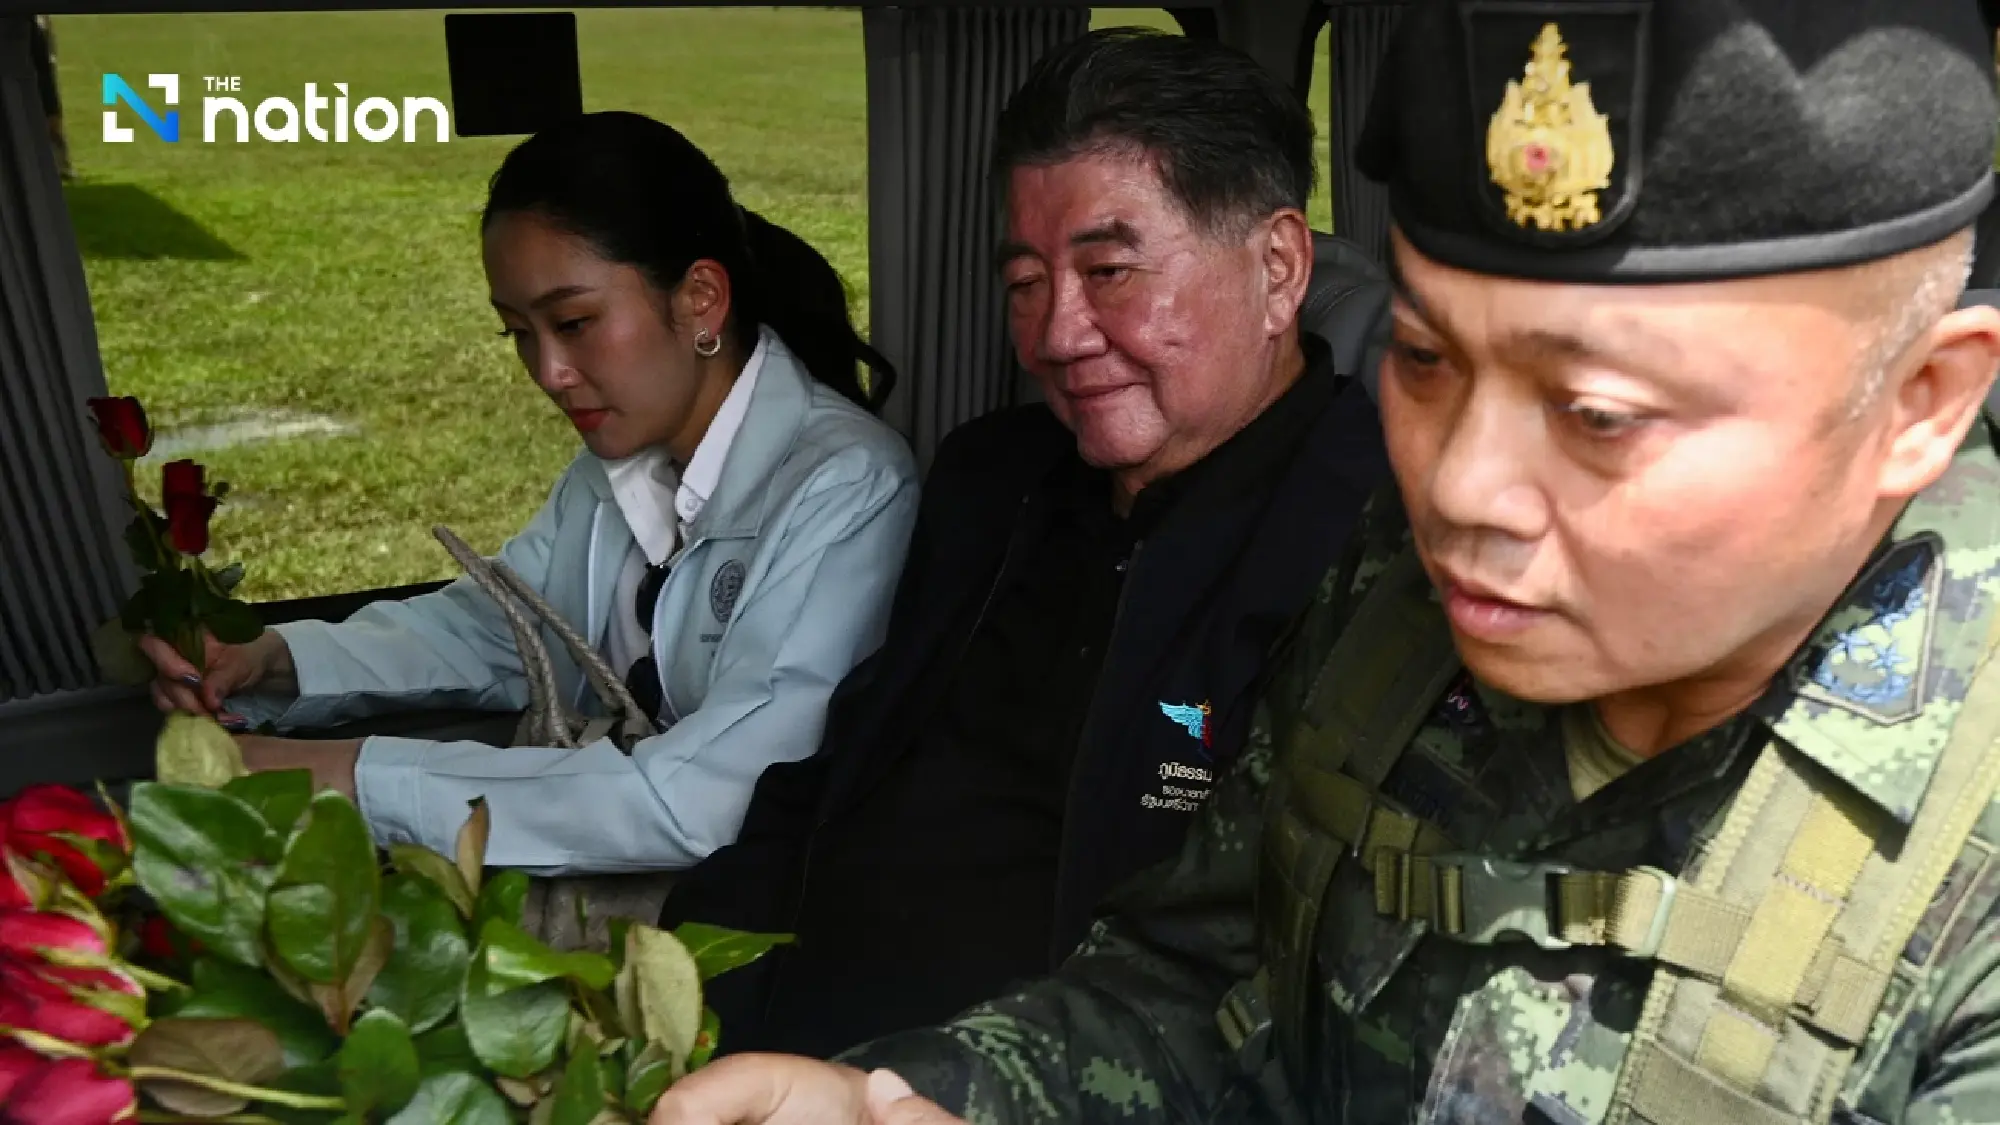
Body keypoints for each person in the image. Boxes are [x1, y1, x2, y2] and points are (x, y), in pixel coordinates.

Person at [650, 1, 2000, 1122]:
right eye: (1423, 359)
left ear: (1922, 403)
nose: (1460, 486)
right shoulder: (1398, 604)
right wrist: (923, 1099)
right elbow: (1202, 980)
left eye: (1596, 414)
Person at [657, 28, 1391, 1058]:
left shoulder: (1379, 540)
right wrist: (669, 996)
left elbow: (1278, 981)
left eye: (1109, 271)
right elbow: (827, 789)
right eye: (1023, 284)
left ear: (1276, 268)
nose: (1055, 334)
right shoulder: (989, 480)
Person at [140, 111, 919, 876]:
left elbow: (704, 795)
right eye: (517, 331)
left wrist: (349, 777)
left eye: (574, 322)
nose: (548, 373)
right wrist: (275, 660)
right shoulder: (615, 465)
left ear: (701, 300)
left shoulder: (847, 485)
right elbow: (507, 630)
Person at [30, 16, 71, 181]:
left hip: (44, 77)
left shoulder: (39, 24)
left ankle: (63, 166)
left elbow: (50, 51)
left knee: (53, 123)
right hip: (32, 77)